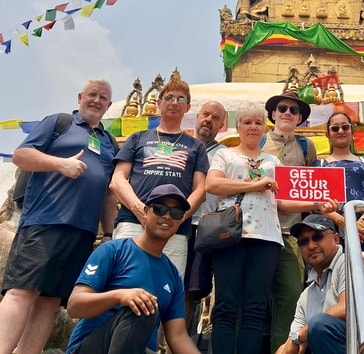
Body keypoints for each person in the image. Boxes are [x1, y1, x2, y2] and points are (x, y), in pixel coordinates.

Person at [206, 102, 336, 354]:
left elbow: (282, 200)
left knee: (255, 307)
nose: (253, 127)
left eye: (258, 123)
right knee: (226, 305)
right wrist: (255, 185)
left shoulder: (272, 161)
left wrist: (316, 205)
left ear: (264, 127)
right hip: (230, 235)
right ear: (238, 127)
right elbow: (212, 185)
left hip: (267, 238)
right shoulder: (225, 155)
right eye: (247, 122)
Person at [0, 79, 118, 354]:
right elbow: (21, 155)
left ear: (109, 105)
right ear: (79, 97)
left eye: (103, 97)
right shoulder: (59, 123)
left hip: (83, 232)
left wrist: (108, 233)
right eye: (92, 94)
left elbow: (108, 193)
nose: (96, 100)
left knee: (50, 301)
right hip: (45, 222)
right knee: (22, 291)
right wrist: (60, 164)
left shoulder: (109, 142)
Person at [65, 184, 199, 354]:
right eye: (159, 209)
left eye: (176, 213)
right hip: (91, 347)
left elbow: (178, 336)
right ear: (146, 211)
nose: (167, 216)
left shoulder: (173, 276)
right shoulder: (113, 251)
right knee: (144, 307)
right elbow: (75, 306)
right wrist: (120, 296)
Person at [110, 76, 208, 279]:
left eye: (181, 99)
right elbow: (118, 179)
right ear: (159, 103)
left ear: (187, 107)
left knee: (166, 286)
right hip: (133, 222)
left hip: (174, 228)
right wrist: (140, 210)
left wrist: (179, 217)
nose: (174, 103)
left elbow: (200, 189)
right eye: (169, 98)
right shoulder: (137, 138)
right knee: (121, 282)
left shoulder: (196, 146)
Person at [276, 215, 364, 354]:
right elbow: (291, 343)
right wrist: (293, 341)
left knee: (319, 325)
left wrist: (299, 336)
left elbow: (346, 308)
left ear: (336, 239)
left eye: (318, 237)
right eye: (304, 241)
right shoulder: (306, 296)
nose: (311, 246)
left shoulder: (350, 264)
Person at [313, 111, 364, 303]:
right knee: (335, 286)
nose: (340, 131)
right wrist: (343, 222)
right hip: (331, 230)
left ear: (352, 131)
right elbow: (316, 201)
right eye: (335, 128)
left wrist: (362, 223)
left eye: (345, 127)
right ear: (328, 134)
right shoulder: (318, 164)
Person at [262, 90, 317, 352]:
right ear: (273, 114)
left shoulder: (307, 147)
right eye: (282, 108)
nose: (287, 113)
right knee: (251, 298)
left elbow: (315, 186)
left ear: (299, 118)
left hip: (290, 232)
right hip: (258, 232)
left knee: (291, 297)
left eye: (293, 110)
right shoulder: (259, 140)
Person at [184, 101, 228, 330]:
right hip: (175, 223)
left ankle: (176, 343)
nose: (208, 120)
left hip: (205, 226)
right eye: (206, 114)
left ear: (222, 125)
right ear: (197, 116)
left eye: (215, 118)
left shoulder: (226, 155)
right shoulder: (181, 145)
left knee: (191, 290)